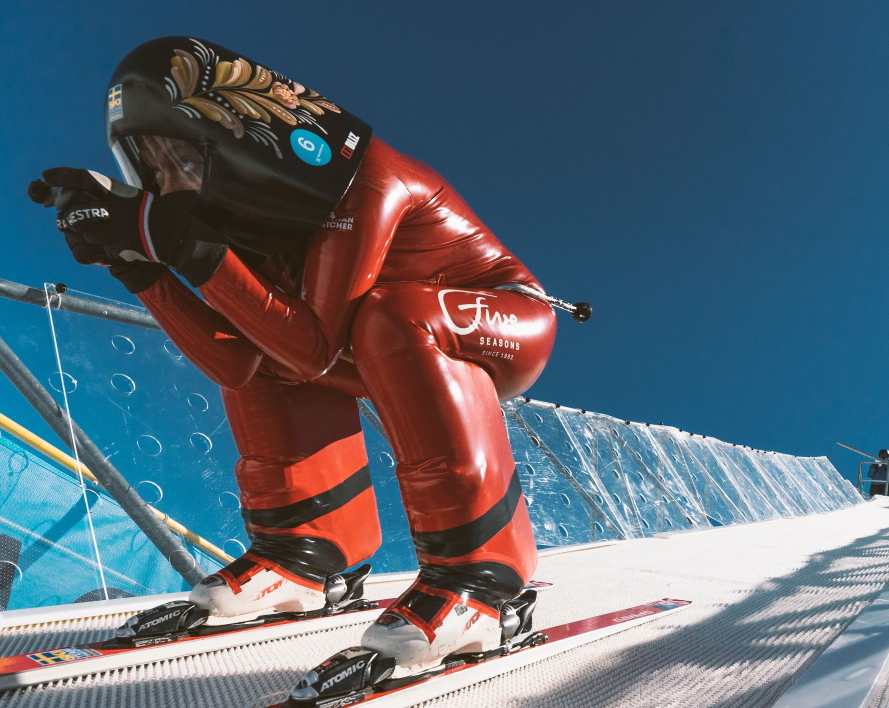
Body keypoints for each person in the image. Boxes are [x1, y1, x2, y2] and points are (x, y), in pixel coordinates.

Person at [31, 37, 556, 675]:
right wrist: (137, 264)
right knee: (267, 329)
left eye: (174, 158)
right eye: (148, 167)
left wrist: (180, 246)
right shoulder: (257, 221)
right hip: (375, 339)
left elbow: (310, 348)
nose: (165, 184)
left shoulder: (367, 180)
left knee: (392, 316)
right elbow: (236, 362)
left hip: (501, 315)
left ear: (236, 133)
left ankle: (484, 580)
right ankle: (307, 555)